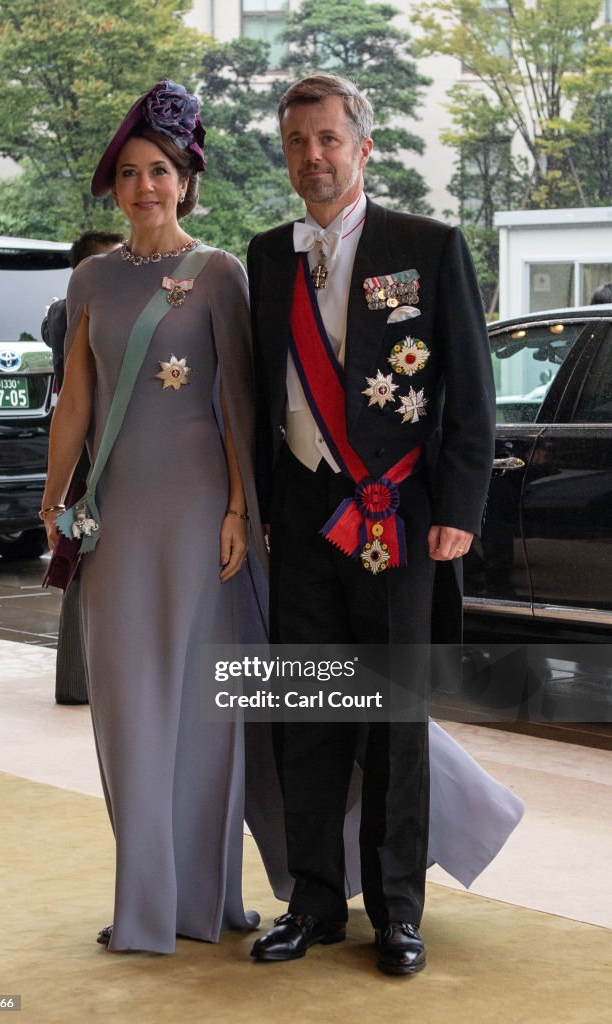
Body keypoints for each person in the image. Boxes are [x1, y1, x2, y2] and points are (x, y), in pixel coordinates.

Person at [247, 74, 496, 975]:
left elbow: (469, 387)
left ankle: (396, 911)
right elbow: (261, 395)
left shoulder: (425, 245)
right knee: (308, 716)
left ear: (363, 147)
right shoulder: (268, 253)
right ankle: (312, 902)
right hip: (305, 512)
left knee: (394, 719)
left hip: (400, 513)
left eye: (327, 140)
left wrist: (460, 511)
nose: (311, 157)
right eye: (296, 142)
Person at [40, 79, 268, 953]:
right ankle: (143, 904)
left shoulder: (218, 274)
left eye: (161, 171)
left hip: (203, 515)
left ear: (186, 179)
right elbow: (75, 404)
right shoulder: (92, 275)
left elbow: (237, 406)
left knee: (205, 709)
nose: (145, 188)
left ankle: (202, 900)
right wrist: (53, 497)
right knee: (127, 710)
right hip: (117, 520)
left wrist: (242, 509)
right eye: (131, 173)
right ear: (114, 185)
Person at [42, 230, 122, 706]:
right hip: (90, 454)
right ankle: (76, 679)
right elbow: (75, 395)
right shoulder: (68, 310)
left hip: (122, 453)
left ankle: (82, 678)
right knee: (78, 557)